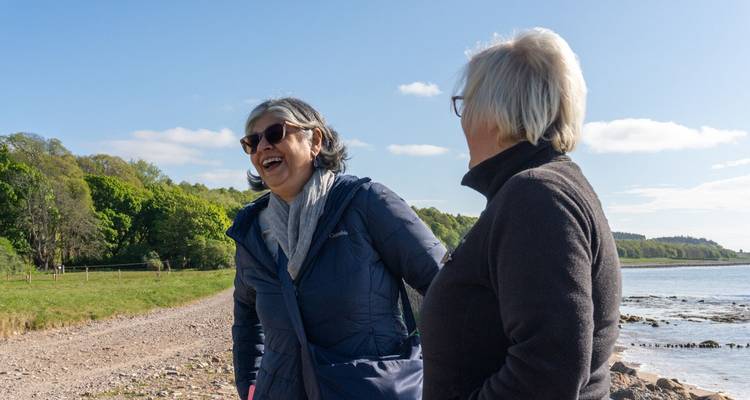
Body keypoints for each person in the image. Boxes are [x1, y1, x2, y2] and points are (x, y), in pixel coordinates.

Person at [419, 28, 621, 399]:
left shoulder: (537, 196)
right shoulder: (547, 188)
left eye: (465, 103)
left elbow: (548, 370)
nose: (461, 121)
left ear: (495, 109)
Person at [227, 97, 445, 400]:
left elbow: (446, 286)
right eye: (252, 141)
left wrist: (446, 373)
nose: (263, 146)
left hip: (367, 390)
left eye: (275, 133)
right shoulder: (252, 230)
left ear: (315, 140)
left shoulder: (366, 202)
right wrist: (251, 386)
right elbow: (247, 317)